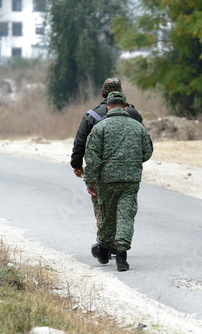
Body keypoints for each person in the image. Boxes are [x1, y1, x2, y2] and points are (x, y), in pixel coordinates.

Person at [70, 78, 143, 252]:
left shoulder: (91, 115)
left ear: (103, 94)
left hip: (102, 173)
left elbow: (79, 143)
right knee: (124, 209)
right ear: (121, 93)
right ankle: (118, 244)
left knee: (102, 207)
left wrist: (77, 165)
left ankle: (105, 244)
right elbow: (142, 143)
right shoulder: (133, 114)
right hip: (128, 174)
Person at [83, 91, 153, 271]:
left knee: (107, 214)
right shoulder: (137, 127)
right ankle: (121, 256)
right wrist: (133, 162)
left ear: (108, 108)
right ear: (126, 107)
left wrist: (90, 181)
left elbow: (92, 158)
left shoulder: (100, 128)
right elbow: (147, 152)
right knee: (125, 215)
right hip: (130, 180)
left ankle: (104, 250)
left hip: (107, 180)